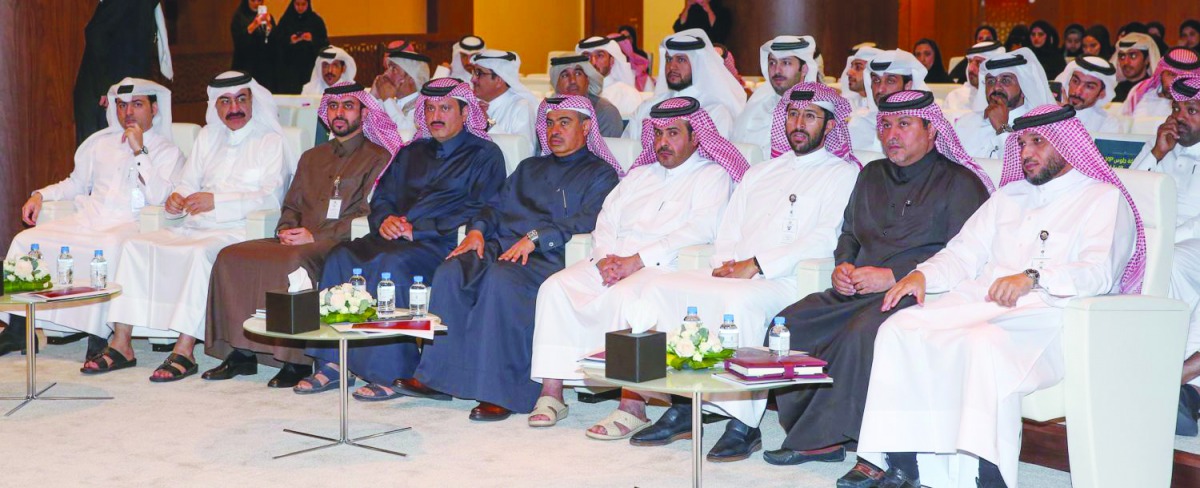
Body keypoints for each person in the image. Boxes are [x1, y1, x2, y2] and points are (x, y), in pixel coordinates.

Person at [850, 104, 1141, 488]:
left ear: (1067, 145)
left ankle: (985, 474)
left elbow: (1100, 272)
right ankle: (906, 462)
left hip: (1048, 316)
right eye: (1021, 144)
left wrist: (1034, 277)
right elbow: (963, 252)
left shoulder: (1102, 198)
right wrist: (922, 274)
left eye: (1038, 142)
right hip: (982, 303)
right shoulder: (1009, 196)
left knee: (980, 343)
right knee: (899, 328)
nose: (1026, 154)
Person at [759, 90, 993, 472]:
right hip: (857, 291)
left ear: (932, 130)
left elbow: (966, 257)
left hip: (919, 294)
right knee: (788, 325)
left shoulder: (960, 183)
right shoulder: (871, 174)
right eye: (885, 125)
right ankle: (814, 434)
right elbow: (849, 233)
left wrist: (892, 276)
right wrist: (843, 266)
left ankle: (870, 450)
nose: (891, 134)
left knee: (862, 334)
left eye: (904, 124)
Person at [629, 82, 862, 462]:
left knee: (736, 301)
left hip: (788, 279)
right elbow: (730, 226)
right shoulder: (762, 171)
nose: (798, 123)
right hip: (735, 270)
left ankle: (744, 424)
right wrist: (724, 262)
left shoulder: (843, 174)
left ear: (831, 126)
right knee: (661, 287)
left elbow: (825, 239)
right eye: (792, 115)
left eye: (810, 116)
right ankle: (684, 405)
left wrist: (755, 265)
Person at [528, 97, 746, 437]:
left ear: (695, 137)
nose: (662, 142)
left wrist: (636, 262)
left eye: (673, 133)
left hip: (664, 266)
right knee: (554, 288)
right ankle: (552, 393)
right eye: (657, 133)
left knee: (628, 298)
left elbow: (701, 229)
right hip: (611, 261)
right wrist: (604, 259)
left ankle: (633, 404)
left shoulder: (712, 176)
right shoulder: (639, 174)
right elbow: (606, 219)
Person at [404, 95, 622, 421]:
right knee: (451, 271)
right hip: (500, 247)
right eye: (549, 123)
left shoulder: (600, 174)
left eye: (565, 122)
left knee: (500, 279)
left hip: (549, 257)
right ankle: (438, 376)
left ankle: (502, 391)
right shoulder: (529, 167)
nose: (555, 130)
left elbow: (589, 220)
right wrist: (477, 231)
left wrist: (536, 238)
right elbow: (494, 206)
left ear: (587, 126)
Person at [295, 78, 505, 399]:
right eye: (430, 108)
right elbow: (381, 197)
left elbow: (485, 207)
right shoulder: (411, 151)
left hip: (441, 242)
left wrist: (419, 230)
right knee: (341, 256)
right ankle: (335, 361)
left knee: (390, 265)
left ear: (465, 113)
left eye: (445, 108)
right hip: (393, 236)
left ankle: (391, 371)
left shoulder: (485, 155)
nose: (436, 115)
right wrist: (385, 220)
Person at [92, 71, 293, 381]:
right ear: (216, 105)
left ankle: (184, 350)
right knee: (135, 245)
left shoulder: (270, 141)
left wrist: (218, 201)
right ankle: (122, 343)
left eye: (241, 99)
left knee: (199, 254)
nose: (233, 108)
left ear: (253, 101)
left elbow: (270, 197)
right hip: (195, 222)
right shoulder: (207, 137)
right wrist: (176, 200)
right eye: (224, 101)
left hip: (239, 229)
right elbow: (186, 184)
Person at [201, 81, 397, 388]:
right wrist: (285, 228)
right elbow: (291, 203)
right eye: (333, 106)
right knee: (231, 255)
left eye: (348, 106)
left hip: (340, 242)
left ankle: (295, 360)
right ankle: (241, 351)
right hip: (298, 237)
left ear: (363, 111)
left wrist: (314, 237)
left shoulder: (378, 157)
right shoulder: (312, 156)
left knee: (293, 260)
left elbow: (367, 215)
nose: (339, 113)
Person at [0, 79, 183, 358]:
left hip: (131, 224)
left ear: (154, 109)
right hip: (88, 217)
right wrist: (40, 195)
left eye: (137, 104)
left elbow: (160, 197)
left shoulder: (168, 151)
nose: (128, 112)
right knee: (26, 240)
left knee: (108, 247)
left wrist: (139, 151)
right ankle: (19, 329)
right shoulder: (99, 144)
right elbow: (75, 184)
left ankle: (98, 335)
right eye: (122, 105)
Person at [1131, 75, 1200, 436]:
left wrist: (1163, 240)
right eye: (1177, 108)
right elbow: (1128, 195)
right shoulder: (1165, 147)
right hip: (1165, 241)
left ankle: (1164, 375)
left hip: (1191, 244)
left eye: (1192, 110)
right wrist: (1157, 152)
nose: (1180, 117)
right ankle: (1180, 388)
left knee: (1164, 263)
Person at [73, 0, 173, 144]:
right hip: (104, 93)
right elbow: (95, 32)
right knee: (102, 154)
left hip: (123, 92)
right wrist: (105, 87)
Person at [622, 29, 746, 143]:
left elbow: (717, 161)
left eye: (680, 60)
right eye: (669, 59)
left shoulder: (715, 112)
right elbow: (626, 152)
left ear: (697, 64)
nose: (672, 67)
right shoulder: (646, 108)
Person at [953, 48, 1054, 159]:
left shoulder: (1039, 127)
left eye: (1005, 81)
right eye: (990, 81)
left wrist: (1002, 127)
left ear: (1024, 88)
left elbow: (1020, 168)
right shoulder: (964, 124)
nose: (996, 87)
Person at [732, 35, 820, 156]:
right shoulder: (757, 102)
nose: (777, 70)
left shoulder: (817, 111)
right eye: (772, 63)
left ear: (804, 69)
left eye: (786, 63)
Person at [848, 49, 928, 152]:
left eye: (890, 81)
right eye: (876, 80)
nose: (881, 89)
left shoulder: (922, 128)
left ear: (908, 86)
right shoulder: (859, 123)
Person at [471, 50, 539, 147]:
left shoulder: (521, 107)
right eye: (473, 72)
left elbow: (524, 151)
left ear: (499, 80)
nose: (472, 79)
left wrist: (488, 123)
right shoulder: (472, 103)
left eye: (479, 73)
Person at [548, 55, 624, 137]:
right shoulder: (547, 111)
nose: (572, 80)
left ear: (587, 79)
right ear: (556, 84)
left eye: (578, 74)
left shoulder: (605, 112)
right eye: (565, 75)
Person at [1122, 47, 1200, 118]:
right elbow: (1123, 124)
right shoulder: (1139, 91)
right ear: (1161, 73)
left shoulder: (1196, 107)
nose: (1175, 82)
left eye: (1184, 78)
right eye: (1171, 75)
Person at [271, 0, 328, 95]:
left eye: (303, 4)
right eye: (297, 4)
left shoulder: (316, 21)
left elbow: (324, 43)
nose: (300, 7)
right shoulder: (286, 20)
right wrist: (290, 40)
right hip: (290, 69)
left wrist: (312, 39)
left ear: (308, 4)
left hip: (310, 67)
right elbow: (277, 42)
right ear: (293, 4)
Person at [575, 36, 644, 115]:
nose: (592, 62)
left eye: (599, 56)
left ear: (611, 61)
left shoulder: (627, 94)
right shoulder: (575, 92)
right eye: (587, 56)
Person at [372, 46, 431, 136]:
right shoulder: (389, 101)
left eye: (394, 69)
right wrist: (374, 95)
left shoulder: (423, 107)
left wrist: (388, 100)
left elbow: (406, 136)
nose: (386, 74)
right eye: (388, 68)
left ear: (411, 78)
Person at [1056, 56, 1121, 134]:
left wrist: (1066, 118)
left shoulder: (1109, 124)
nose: (1077, 91)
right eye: (1075, 81)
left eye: (1089, 86)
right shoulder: (1050, 112)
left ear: (1102, 93)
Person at [943, 42, 1005, 117]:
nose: (970, 69)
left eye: (978, 63)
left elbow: (1009, 128)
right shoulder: (954, 98)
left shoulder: (1008, 99)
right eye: (970, 62)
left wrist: (1002, 125)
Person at [230, 0, 277, 91]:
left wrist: (269, 26)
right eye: (253, 0)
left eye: (259, 0)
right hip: (246, 65)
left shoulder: (268, 17)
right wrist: (254, 25)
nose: (256, 3)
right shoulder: (239, 17)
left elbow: (275, 41)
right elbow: (239, 41)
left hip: (264, 67)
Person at [1113, 33, 1162, 103]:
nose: (1126, 62)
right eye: (1122, 56)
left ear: (1147, 59)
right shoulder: (1113, 91)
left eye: (1133, 56)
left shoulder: (1154, 91)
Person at [839, 43, 884, 112]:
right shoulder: (847, 104)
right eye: (851, 67)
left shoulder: (884, 108)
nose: (848, 73)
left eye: (858, 67)